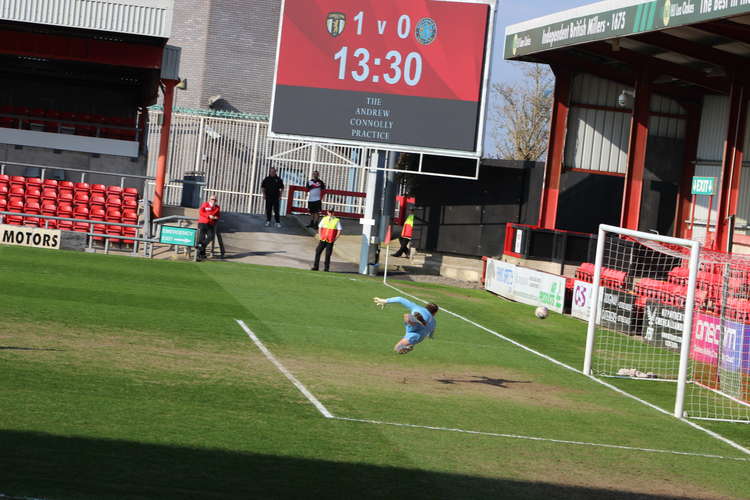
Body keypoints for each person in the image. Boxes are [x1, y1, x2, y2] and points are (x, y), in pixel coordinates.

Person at [373, 296, 439, 354]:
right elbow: (431, 333)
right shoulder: (434, 322)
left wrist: (385, 301)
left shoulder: (417, 307)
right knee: (397, 348)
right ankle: (407, 347)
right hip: (418, 336)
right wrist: (430, 336)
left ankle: (417, 320)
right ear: (435, 313)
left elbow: (399, 299)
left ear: (425, 306)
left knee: (407, 316)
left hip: (413, 328)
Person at [196, 195, 220, 261]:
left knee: (211, 236)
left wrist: (215, 218)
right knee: (201, 238)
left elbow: (218, 216)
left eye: (215, 200)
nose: (213, 201)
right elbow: (201, 212)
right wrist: (208, 216)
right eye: (212, 199)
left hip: (210, 224)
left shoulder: (217, 207)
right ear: (209, 199)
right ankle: (200, 255)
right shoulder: (205, 204)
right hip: (203, 223)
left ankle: (202, 247)